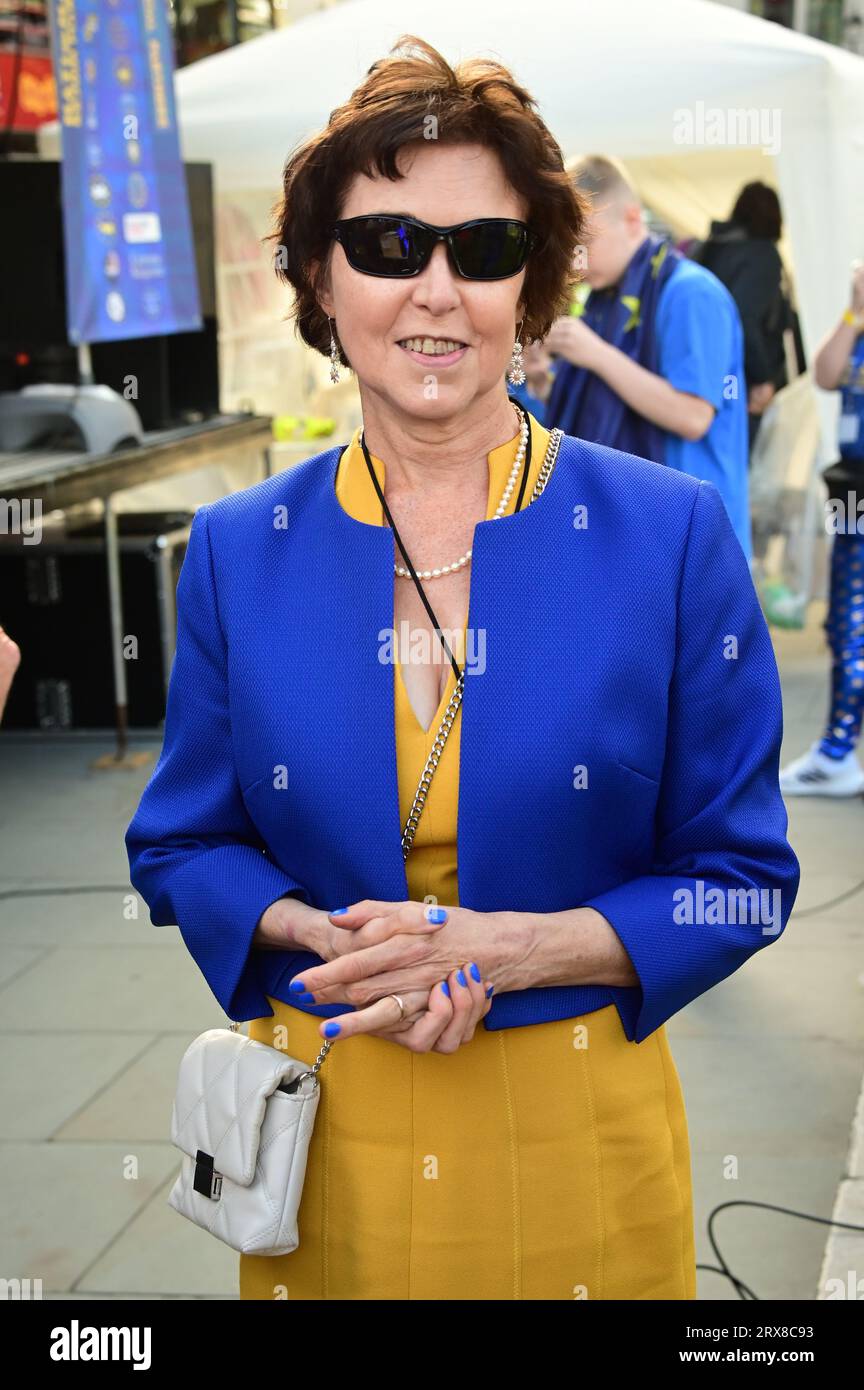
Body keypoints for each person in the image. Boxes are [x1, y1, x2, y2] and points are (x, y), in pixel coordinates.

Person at [125, 36, 799, 1301]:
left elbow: (743, 876)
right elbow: (181, 844)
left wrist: (520, 948)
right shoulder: (236, 551)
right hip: (329, 1146)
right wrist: (316, 933)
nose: (434, 289)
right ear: (320, 281)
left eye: (482, 250)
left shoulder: (668, 536)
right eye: (387, 246)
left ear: (531, 288)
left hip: (581, 1153)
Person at [530, 155, 753, 563]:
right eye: (569, 248)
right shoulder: (602, 300)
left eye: (587, 243)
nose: (576, 262)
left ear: (633, 220)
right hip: (628, 529)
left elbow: (692, 416)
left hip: (692, 538)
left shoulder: (690, 293)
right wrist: (544, 381)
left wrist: (596, 354)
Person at [779, 263, 864, 796]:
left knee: (854, 621)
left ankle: (837, 749)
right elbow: (827, 374)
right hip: (853, 489)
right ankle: (837, 749)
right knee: (843, 616)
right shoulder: (858, 323)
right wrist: (854, 311)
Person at [693, 182, 793, 457]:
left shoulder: (709, 248)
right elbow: (744, 319)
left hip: (700, 382)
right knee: (747, 468)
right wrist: (763, 379)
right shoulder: (763, 256)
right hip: (743, 384)